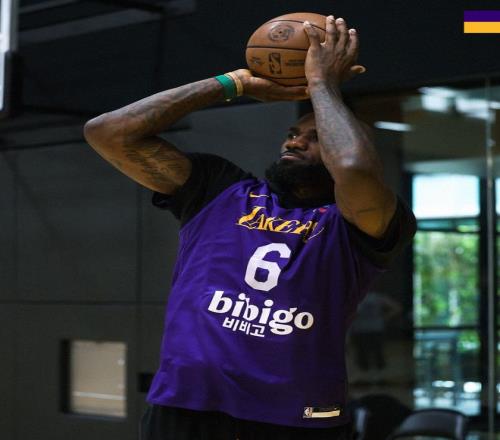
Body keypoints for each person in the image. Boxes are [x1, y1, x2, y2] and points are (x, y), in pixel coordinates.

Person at [84, 15, 416, 440]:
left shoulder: (358, 223)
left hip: (296, 418)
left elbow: (352, 167)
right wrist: (232, 84)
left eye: (315, 136)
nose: (294, 140)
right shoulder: (218, 189)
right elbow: (108, 133)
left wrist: (321, 85)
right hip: (186, 408)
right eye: (292, 132)